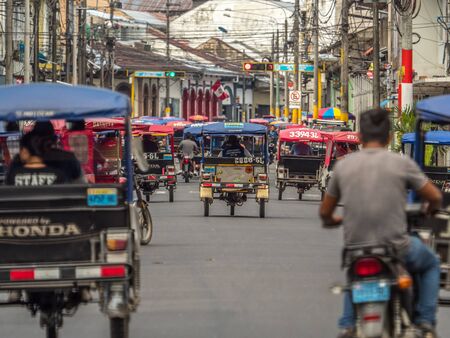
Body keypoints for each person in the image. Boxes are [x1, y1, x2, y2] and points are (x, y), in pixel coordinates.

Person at [319, 108, 442, 338]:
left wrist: (335, 220)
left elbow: (325, 212)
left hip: (356, 248)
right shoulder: (401, 163)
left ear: (359, 137)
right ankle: (425, 323)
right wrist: (429, 210)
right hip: (397, 248)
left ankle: (348, 325)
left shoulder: (343, 166)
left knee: (354, 272)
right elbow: (434, 196)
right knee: (431, 263)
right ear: (389, 137)